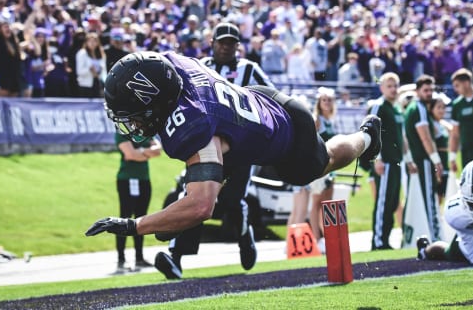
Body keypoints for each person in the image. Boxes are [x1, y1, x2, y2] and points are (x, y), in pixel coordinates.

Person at [85, 51, 382, 269]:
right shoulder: (170, 64)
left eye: (135, 115)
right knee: (192, 200)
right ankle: (226, 232)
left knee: (323, 161)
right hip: (258, 104)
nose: (133, 124)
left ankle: (366, 137)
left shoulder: (193, 125)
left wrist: (132, 225)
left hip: (288, 133)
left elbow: (201, 206)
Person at [154, 22, 274, 279]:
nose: (226, 47)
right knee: (193, 197)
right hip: (208, 143)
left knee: (231, 201)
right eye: (222, 42)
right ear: (213, 43)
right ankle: (176, 256)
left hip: (242, 145)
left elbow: (271, 96)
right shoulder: (198, 67)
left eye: (231, 43)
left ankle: (243, 233)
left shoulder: (249, 69)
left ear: (237, 46)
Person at [366, 72, 414, 250]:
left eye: (395, 86)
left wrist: (408, 159)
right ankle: (379, 241)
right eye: (389, 86)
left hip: (397, 161)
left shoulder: (396, 108)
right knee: (384, 203)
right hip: (385, 162)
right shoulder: (380, 106)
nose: (393, 89)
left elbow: (402, 137)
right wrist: (377, 159)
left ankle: (385, 240)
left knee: (393, 202)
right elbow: (371, 132)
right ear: (382, 88)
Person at [113, 132, 162, 273]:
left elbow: (158, 150)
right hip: (127, 180)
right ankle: (121, 259)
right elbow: (130, 155)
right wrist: (147, 153)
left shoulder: (143, 133)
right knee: (125, 217)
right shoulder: (121, 134)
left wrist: (140, 152)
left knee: (141, 219)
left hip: (144, 180)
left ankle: (139, 258)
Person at [403, 74, 443, 242]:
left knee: (420, 199)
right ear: (418, 91)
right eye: (426, 90)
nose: (429, 93)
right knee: (429, 198)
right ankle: (434, 236)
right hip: (423, 160)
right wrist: (436, 160)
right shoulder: (419, 108)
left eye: (431, 90)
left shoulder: (412, 108)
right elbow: (425, 137)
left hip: (416, 159)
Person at [308, 87, 338, 254]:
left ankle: (326, 236)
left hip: (330, 166)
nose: (326, 103)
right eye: (324, 100)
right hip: (320, 166)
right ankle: (316, 238)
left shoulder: (329, 120)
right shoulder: (317, 119)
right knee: (317, 202)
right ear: (319, 102)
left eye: (329, 100)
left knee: (328, 202)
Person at [428, 93, 453, 204]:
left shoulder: (442, 124)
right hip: (436, 162)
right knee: (435, 195)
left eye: (443, 107)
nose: (442, 110)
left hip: (444, 161)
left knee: (441, 194)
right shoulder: (430, 124)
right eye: (438, 107)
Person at [75, 32, 106, 97]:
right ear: (86, 42)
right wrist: (90, 70)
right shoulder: (82, 53)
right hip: (85, 85)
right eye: (90, 41)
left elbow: (104, 71)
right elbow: (79, 71)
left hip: (98, 84)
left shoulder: (101, 54)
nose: (92, 43)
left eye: (94, 41)